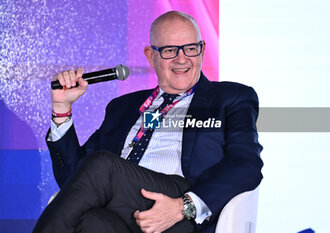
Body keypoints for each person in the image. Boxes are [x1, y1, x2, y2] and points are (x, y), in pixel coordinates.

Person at [33, 11, 263, 233]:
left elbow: (246, 164)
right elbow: (76, 179)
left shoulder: (231, 98)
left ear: (202, 50)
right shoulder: (122, 107)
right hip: (121, 210)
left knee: (102, 165)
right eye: (170, 50)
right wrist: (62, 109)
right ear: (151, 56)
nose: (182, 59)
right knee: (92, 221)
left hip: (179, 204)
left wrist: (184, 205)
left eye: (191, 48)